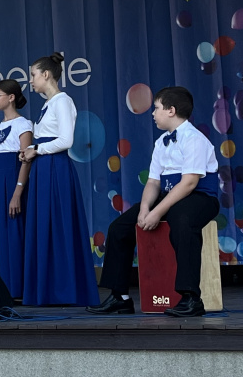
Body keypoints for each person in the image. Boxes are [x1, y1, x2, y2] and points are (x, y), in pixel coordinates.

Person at [88, 87, 220, 317]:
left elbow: (189, 184)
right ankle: (120, 297)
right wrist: (146, 208)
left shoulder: (195, 140)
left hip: (199, 198)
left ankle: (191, 297)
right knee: (119, 228)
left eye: (157, 108)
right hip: (168, 197)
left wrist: (157, 212)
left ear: (171, 110)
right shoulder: (161, 142)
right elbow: (152, 182)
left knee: (183, 220)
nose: (153, 113)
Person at [21, 53, 98, 306]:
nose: (30, 80)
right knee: (45, 225)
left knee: (59, 225)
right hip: (44, 168)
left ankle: (64, 289)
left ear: (46, 74)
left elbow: (66, 141)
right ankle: (48, 289)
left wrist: (37, 150)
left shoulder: (62, 101)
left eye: (33, 75)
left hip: (55, 168)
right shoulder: (48, 104)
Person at [0, 80, 33, 300]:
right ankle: (1, 287)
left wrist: (17, 193)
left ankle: (19, 287)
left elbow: (26, 160)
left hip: (13, 180)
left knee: (15, 233)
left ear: (11, 97)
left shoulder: (23, 124)